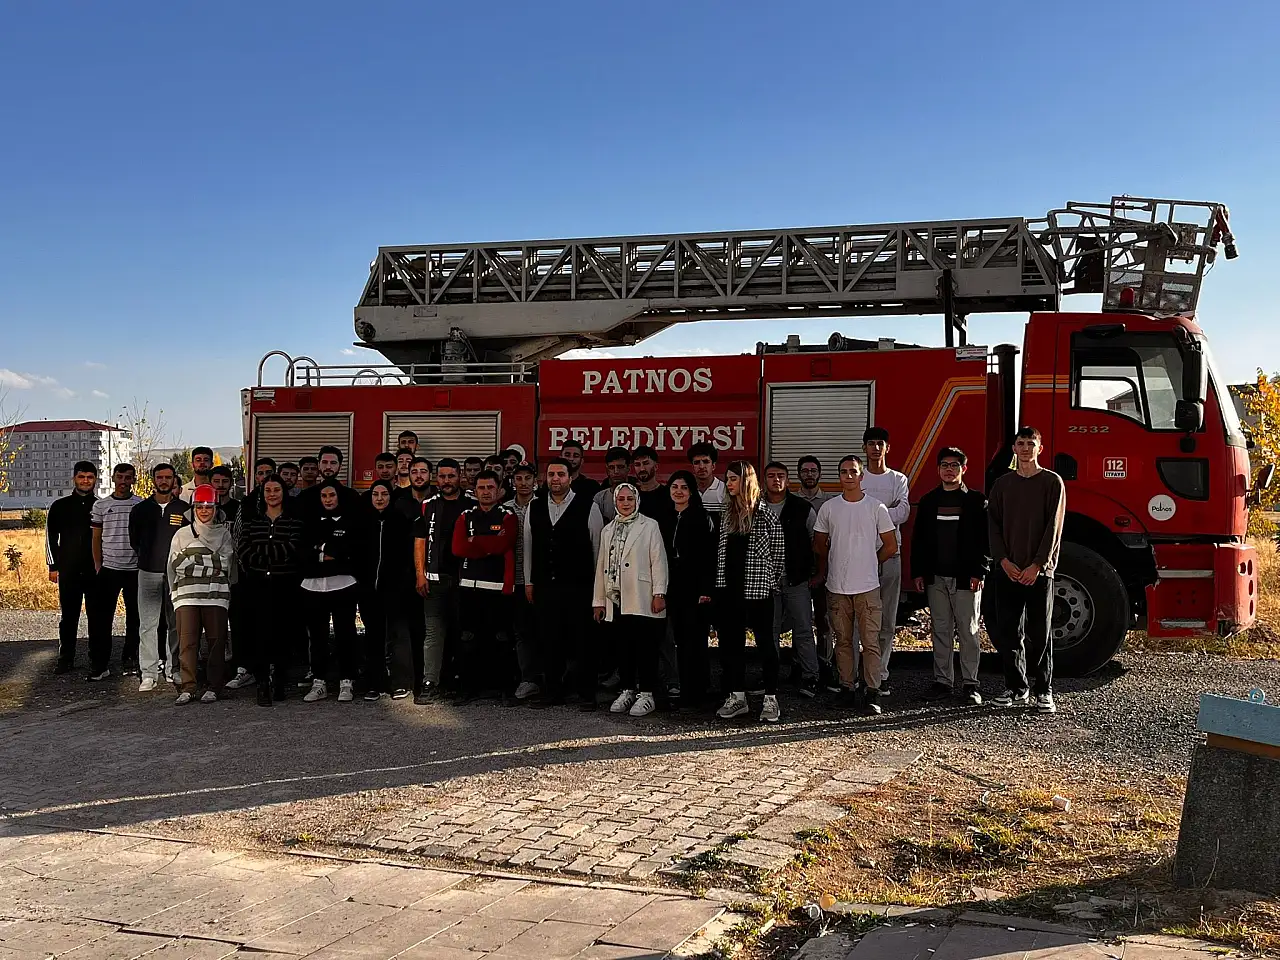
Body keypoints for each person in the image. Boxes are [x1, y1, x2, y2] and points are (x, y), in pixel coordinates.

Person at [987, 426, 1066, 714]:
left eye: (1030, 443)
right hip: (1008, 571)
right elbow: (993, 526)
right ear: (1013, 448)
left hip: (1039, 574)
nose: (1024, 448)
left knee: (1041, 632)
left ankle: (1043, 691)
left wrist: (1038, 565)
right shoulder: (1002, 485)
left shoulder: (1052, 483)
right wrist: (1003, 561)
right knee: (1008, 632)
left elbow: (1053, 528)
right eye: (1020, 443)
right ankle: (1016, 688)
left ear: (1039, 448)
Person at [813, 456, 897, 716]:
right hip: (837, 587)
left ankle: (873, 692)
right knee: (843, 641)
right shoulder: (829, 508)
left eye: (853, 472)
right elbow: (819, 543)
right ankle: (847, 689)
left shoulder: (876, 508)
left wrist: (871, 561)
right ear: (839, 476)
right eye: (843, 472)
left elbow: (890, 545)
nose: (848, 476)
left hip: (868, 586)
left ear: (862, 477)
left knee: (871, 641)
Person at [523, 457, 604, 709]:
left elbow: (598, 550)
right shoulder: (534, 507)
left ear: (570, 477)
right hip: (546, 586)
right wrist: (529, 582)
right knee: (549, 640)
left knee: (582, 641)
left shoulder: (588, 506)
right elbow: (528, 547)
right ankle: (553, 691)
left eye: (560, 474)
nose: (555, 479)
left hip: (579, 587)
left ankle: (586, 693)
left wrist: (597, 592)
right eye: (551, 474)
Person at [911, 447, 990, 706]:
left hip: (966, 578)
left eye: (955, 465)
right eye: (944, 464)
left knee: (968, 631)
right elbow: (919, 540)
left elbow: (986, 541)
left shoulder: (977, 502)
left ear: (964, 469)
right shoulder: (929, 501)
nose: (949, 469)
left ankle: (971, 684)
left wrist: (980, 571)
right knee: (941, 630)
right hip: (936, 578)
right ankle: (943, 682)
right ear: (938, 469)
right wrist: (919, 572)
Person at [714, 461, 785, 723]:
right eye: (728, 479)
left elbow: (778, 555)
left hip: (757, 591)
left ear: (745, 481)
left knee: (766, 645)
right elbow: (721, 552)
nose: (729, 484)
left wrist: (768, 582)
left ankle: (770, 698)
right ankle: (737, 697)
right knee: (731, 646)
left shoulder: (765, 513)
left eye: (733, 479)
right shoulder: (727, 513)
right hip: (729, 590)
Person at [594, 483, 668, 718]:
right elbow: (601, 566)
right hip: (617, 598)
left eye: (630, 498)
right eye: (621, 499)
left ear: (637, 500)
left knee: (645, 647)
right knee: (623, 647)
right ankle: (627, 690)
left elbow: (659, 561)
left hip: (642, 596)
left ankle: (647, 694)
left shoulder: (650, 526)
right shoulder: (608, 530)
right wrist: (598, 601)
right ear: (615, 501)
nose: (625, 502)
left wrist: (659, 593)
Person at [237, 473, 305, 705]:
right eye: (268, 490)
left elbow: (292, 549)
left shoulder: (294, 523)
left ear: (283, 493)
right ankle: (262, 683)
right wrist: (268, 557)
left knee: (283, 634)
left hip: (285, 586)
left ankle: (280, 681)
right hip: (257, 586)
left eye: (276, 490)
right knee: (259, 635)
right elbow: (243, 551)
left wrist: (262, 555)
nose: (272, 494)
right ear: (262, 494)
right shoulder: (252, 522)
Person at [452, 471, 519, 699]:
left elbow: (504, 543)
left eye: (490, 487)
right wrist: (488, 544)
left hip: (498, 589)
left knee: (501, 639)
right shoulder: (465, 515)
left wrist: (476, 541)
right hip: (469, 587)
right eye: (481, 488)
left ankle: (504, 689)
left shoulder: (507, 515)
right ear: (475, 490)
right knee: (469, 639)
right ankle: (468, 689)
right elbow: (458, 548)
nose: (486, 492)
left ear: (499, 489)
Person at [167, 484, 234, 704]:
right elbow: (176, 565)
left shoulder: (224, 534)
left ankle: (214, 686)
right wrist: (209, 562)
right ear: (193, 508)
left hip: (216, 595)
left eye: (209, 507)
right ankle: (188, 687)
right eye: (199, 507)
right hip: (186, 596)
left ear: (216, 508)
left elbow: (225, 564)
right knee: (187, 643)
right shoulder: (181, 534)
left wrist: (193, 558)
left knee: (216, 642)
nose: (204, 511)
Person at [858, 427, 911, 693]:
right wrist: (883, 513)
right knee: (861, 618)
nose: (876, 448)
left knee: (887, 619)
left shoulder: (898, 479)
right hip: (859, 556)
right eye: (871, 443)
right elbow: (852, 510)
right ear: (864, 448)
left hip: (891, 554)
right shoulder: (859, 477)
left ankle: (880, 671)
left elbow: (903, 512)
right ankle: (859, 671)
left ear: (887, 448)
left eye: (880, 443)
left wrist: (872, 512)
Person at [413, 458, 470, 703]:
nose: (447, 481)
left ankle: (461, 683)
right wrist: (419, 574)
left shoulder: (472, 504)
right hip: (434, 581)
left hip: (465, 582)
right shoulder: (428, 505)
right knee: (433, 634)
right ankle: (430, 683)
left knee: (463, 634)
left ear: (460, 477)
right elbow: (420, 541)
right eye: (443, 476)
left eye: (451, 476)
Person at [299, 478, 361, 702]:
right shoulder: (310, 521)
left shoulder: (351, 521)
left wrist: (324, 550)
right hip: (312, 585)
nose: (328, 500)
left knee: (346, 633)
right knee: (317, 636)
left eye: (332, 495)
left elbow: (348, 552)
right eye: (324, 496)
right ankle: (319, 681)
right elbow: (303, 551)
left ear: (339, 497)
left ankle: (347, 680)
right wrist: (325, 553)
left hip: (343, 584)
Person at [129, 463, 189, 691]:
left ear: (174, 480)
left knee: (175, 624)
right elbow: (134, 540)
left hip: (176, 574)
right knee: (147, 625)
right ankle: (149, 672)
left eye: (168, 477)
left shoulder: (184, 510)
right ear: (153, 480)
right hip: (148, 572)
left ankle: (174, 669)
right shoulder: (140, 510)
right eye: (159, 477)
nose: (164, 481)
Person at [762, 462, 818, 698]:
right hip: (765, 583)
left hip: (796, 580)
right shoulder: (756, 507)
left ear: (788, 480)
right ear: (764, 480)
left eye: (781, 476)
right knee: (769, 631)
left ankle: (810, 677)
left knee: (804, 629)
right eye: (771, 476)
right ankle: (770, 679)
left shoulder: (802, 508)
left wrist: (816, 573)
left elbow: (817, 542)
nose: (776, 480)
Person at [359, 479, 416, 700]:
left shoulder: (400, 520)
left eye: (384, 494)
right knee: (373, 637)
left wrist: (403, 582)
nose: (380, 498)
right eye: (375, 494)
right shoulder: (363, 521)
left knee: (398, 636)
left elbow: (407, 556)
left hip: (396, 589)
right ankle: (375, 683)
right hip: (368, 590)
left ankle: (400, 682)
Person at [662, 470, 715, 704]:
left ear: (691, 491)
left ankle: (699, 691)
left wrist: (706, 590)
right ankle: (682, 689)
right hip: (672, 588)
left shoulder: (701, 517)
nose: (679, 492)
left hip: (696, 590)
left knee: (696, 640)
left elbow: (709, 557)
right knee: (678, 640)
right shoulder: (664, 517)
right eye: (674, 487)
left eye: (684, 487)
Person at [88, 462, 142, 681]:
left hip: (135, 570)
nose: (123, 482)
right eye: (119, 477)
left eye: (128, 477)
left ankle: (129, 658)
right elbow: (95, 537)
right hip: (109, 569)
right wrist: (98, 564)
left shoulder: (140, 505)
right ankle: (100, 665)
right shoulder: (101, 506)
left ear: (133, 480)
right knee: (103, 619)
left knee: (135, 618)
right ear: (113, 478)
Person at [46, 460, 99, 674]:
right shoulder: (60, 506)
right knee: (69, 616)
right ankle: (65, 657)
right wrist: (53, 566)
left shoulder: (100, 506)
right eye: (81, 477)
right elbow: (50, 537)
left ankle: (97, 658)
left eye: (89, 477)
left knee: (97, 616)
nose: (85, 481)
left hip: (95, 571)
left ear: (95, 480)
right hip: (68, 570)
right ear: (74, 479)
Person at [798, 455, 836, 690]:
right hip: (799, 570)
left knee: (824, 620)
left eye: (813, 470)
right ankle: (800, 665)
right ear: (799, 474)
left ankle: (825, 664)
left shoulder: (831, 503)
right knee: (799, 621)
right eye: (805, 470)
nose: (809, 474)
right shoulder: (791, 501)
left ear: (820, 474)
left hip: (825, 569)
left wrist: (823, 571)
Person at [508, 462, 540, 700]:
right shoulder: (505, 509)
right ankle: (526, 679)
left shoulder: (545, 506)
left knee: (545, 631)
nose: (524, 483)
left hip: (540, 580)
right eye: (519, 478)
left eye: (528, 478)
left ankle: (548, 679)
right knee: (521, 633)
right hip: (514, 580)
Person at [296, 446, 361, 518]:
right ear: (318, 465)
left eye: (333, 463)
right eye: (324, 462)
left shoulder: (352, 496)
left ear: (340, 466)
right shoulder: (305, 496)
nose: (328, 467)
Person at [631, 445, 674, 526]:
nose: (642, 469)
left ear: (656, 466)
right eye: (637, 465)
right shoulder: (631, 496)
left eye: (646, 463)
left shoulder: (669, 495)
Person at [593, 446, 633, 522]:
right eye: (611, 467)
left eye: (620, 467)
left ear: (628, 468)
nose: (616, 471)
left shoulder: (637, 495)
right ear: (607, 470)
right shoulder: (599, 498)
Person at [688, 442, 725, 518]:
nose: (701, 466)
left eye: (706, 462)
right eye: (697, 462)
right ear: (692, 466)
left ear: (713, 466)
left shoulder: (724, 490)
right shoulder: (685, 489)